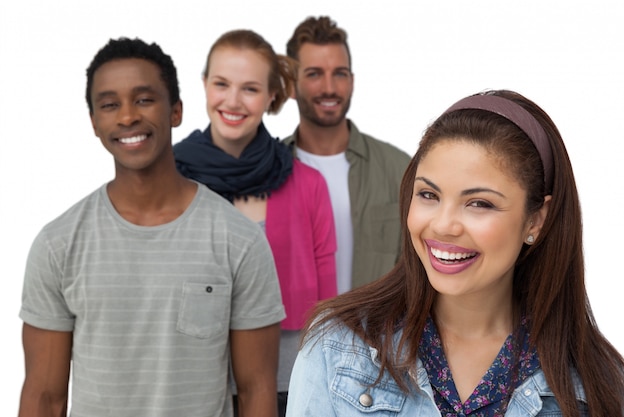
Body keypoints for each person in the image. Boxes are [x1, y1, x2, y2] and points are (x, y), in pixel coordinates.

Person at [286, 90, 624, 416]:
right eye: (429, 195)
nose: (444, 225)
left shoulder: (599, 385)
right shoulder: (336, 348)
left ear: (535, 220)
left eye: (479, 203)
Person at [18, 37, 285, 417]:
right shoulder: (58, 244)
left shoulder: (238, 241)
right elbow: (45, 398)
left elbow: (256, 390)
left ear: (176, 111)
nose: (127, 117)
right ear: (94, 122)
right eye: (110, 105)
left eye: (144, 99)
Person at [173, 29, 337, 417]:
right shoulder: (169, 179)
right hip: (193, 370)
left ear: (270, 97)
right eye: (221, 84)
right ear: (204, 86)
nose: (232, 101)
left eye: (249, 89)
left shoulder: (308, 183)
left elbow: (328, 293)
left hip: (286, 372)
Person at [283, 16, 412, 294]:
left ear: (352, 81)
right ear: (291, 85)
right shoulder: (266, 170)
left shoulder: (400, 169)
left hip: (376, 336)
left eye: (339, 73)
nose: (329, 88)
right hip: (289, 336)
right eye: (314, 74)